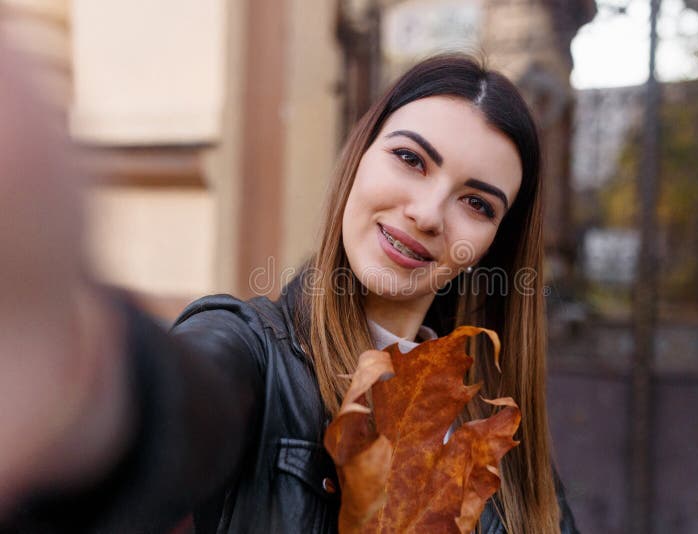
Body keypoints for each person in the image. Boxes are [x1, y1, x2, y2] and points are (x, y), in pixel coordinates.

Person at [0, 40, 578, 534]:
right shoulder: (251, 354)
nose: (428, 214)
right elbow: (176, 409)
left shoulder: (499, 437)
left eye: (476, 203)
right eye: (409, 158)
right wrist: (78, 376)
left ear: (492, 243)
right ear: (358, 159)